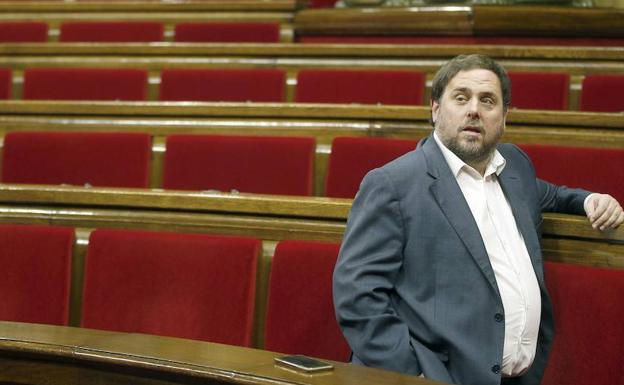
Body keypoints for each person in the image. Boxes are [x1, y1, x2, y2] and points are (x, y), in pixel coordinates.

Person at [332, 54, 623, 385]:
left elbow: (552, 195)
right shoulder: (392, 184)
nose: (474, 110)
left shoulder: (515, 167)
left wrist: (589, 199)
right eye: (461, 97)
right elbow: (357, 296)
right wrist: (414, 374)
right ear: (435, 108)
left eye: (488, 100)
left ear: (504, 117)